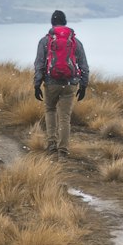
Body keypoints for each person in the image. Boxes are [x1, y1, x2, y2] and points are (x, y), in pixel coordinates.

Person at [33, 9, 89, 158]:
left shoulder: (45, 41)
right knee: (64, 117)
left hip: (51, 83)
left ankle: (51, 144)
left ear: (52, 23)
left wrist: (37, 84)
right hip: (70, 83)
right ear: (65, 23)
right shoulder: (75, 42)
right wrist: (83, 85)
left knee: (50, 110)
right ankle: (63, 150)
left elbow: (39, 64)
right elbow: (84, 65)